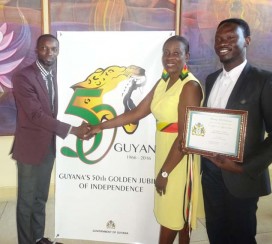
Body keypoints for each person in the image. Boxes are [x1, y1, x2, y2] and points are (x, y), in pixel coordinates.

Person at [86, 35, 203, 244]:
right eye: (166, 53)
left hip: (179, 159)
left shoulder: (189, 86)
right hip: (166, 151)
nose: (170, 57)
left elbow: (185, 138)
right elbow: (137, 113)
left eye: (176, 53)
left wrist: (165, 172)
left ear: (187, 56)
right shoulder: (163, 81)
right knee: (178, 214)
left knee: (172, 214)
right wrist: (99, 126)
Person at [201, 18, 272, 244]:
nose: (223, 43)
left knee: (241, 236)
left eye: (231, 37)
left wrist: (243, 167)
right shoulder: (211, 79)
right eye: (219, 39)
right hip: (211, 173)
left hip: (241, 177)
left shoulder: (265, 80)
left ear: (247, 41)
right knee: (215, 231)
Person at [11, 34, 89, 244]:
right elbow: (36, 115)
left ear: (58, 51)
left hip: (49, 146)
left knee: (40, 198)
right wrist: (74, 130)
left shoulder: (59, 75)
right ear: (36, 50)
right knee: (26, 201)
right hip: (29, 148)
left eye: (53, 49)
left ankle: (37, 238)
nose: (49, 53)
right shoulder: (23, 77)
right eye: (44, 48)